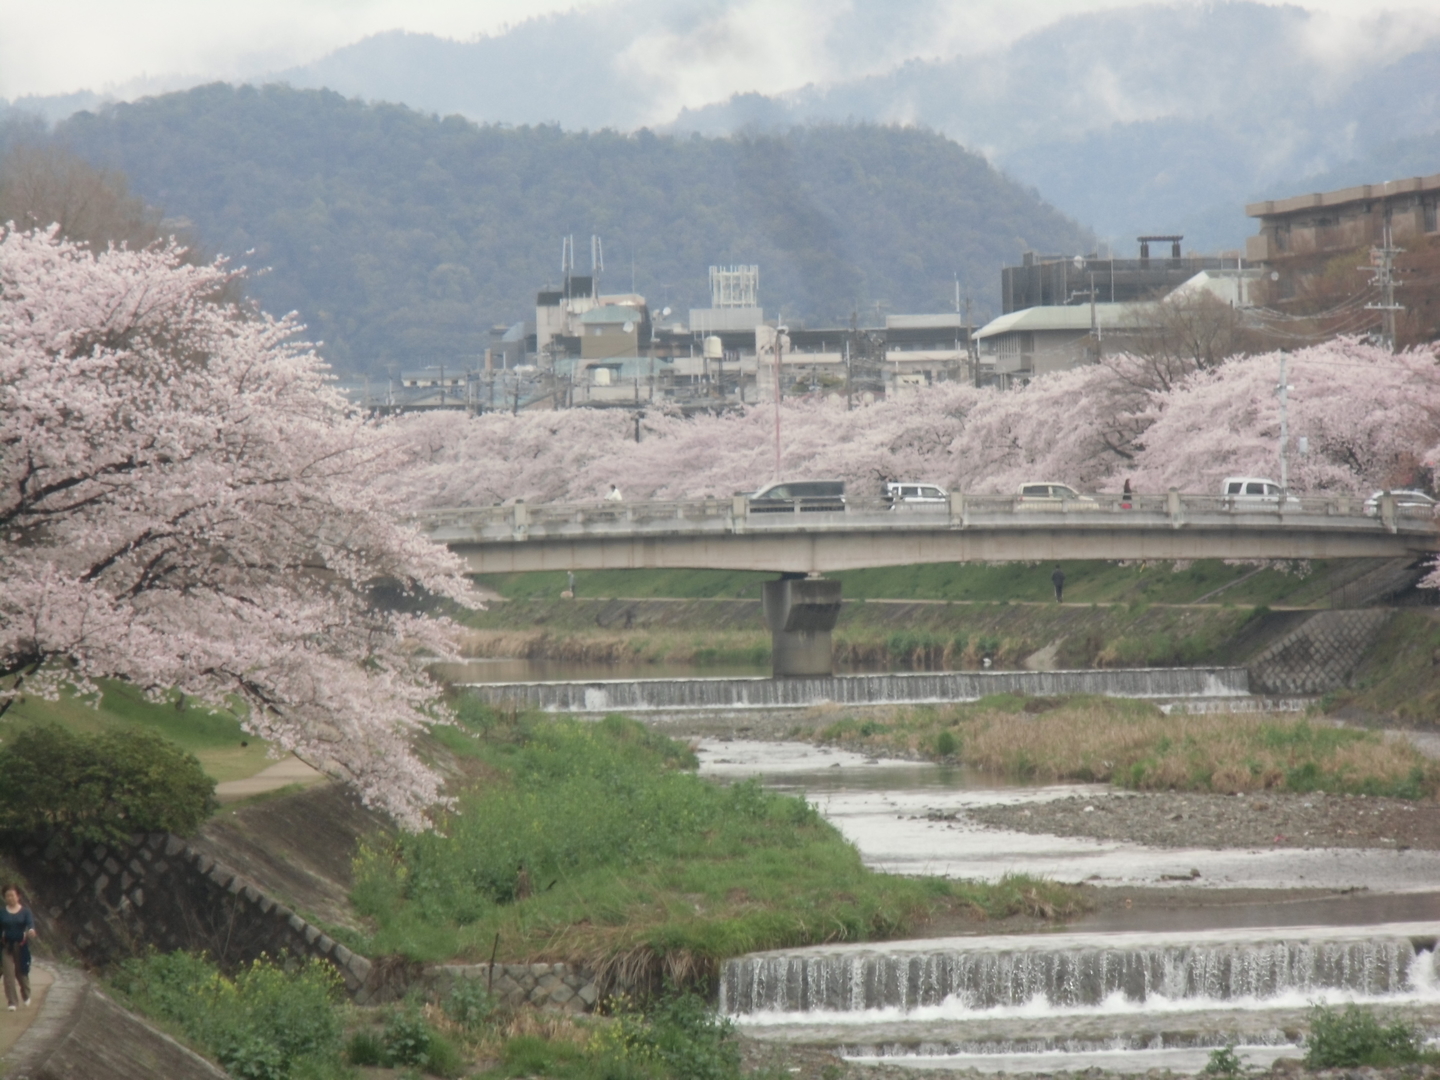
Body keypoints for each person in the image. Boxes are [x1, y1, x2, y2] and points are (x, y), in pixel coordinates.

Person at [1, 885, 36, 1011]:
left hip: (21, 946)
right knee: (8, 975)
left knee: (21, 973)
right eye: (7, 896)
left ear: (18, 896)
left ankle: (26, 995)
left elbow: (30, 924)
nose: (10, 898)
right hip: (6, 947)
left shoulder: (25, 912)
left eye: (12, 895)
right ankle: (12, 1002)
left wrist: (31, 931)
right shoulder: (2, 912)